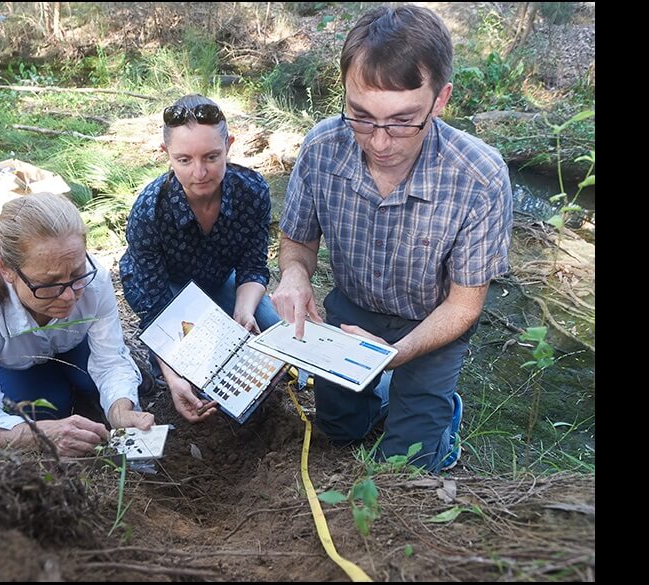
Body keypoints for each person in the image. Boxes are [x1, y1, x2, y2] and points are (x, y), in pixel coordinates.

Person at [271, 4, 513, 473]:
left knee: (407, 464)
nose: (379, 142)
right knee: (340, 432)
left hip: (433, 324)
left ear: (440, 100)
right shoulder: (322, 147)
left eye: (403, 121)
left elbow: (463, 306)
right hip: (350, 310)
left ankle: (437, 416)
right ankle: (386, 399)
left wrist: (390, 357)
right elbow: (297, 241)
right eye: (361, 117)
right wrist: (295, 276)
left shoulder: (479, 177)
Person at [0, 192, 155, 457]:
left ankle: (99, 387)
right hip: (19, 363)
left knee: (98, 383)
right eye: (49, 283)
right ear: (6, 269)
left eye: (77, 274)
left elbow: (109, 359)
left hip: (76, 347)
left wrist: (120, 409)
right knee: (47, 408)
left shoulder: (95, 279)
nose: (69, 296)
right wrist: (40, 435)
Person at [119, 94, 280, 423]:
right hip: (167, 287)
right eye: (184, 160)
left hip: (218, 278)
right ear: (167, 155)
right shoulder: (150, 210)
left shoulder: (252, 191)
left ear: (229, 146)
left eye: (211, 156)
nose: (200, 172)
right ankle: (164, 369)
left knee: (274, 343)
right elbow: (155, 308)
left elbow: (252, 267)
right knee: (203, 376)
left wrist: (243, 311)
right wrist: (173, 368)